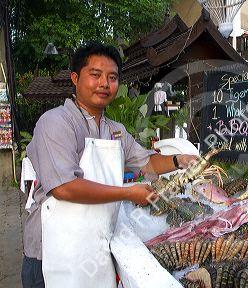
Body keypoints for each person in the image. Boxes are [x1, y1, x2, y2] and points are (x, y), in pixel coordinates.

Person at [21, 42, 197, 288]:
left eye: (112, 77)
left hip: (96, 247)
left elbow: (147, 164)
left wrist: (180, 160)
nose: (104, 83)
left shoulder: (116, 131)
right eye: (95, 75)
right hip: (50, 254)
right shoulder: (55, 122)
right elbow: (64, 187)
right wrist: (128, 193)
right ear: (75, 78)